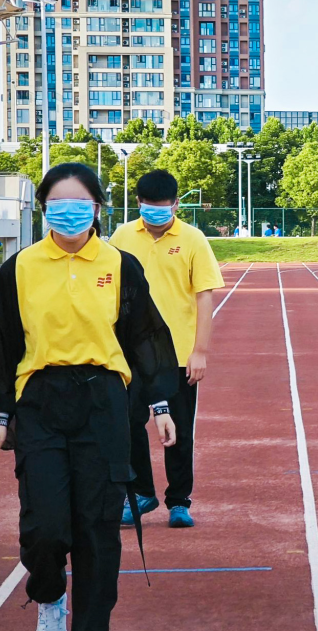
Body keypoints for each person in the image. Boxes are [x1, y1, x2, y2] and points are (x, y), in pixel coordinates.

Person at [0, 163, 179, 631]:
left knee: (97, 529)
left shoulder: (120, 265)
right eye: (58, 204)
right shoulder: (19, 268)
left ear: (97, 208)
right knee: (45, 526)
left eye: (80, 204)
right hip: (41, 401)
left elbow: (144, 337)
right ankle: (50, 596)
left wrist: (159, 404)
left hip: (102, 404)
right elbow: (2, 343)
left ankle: (92, 623)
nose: (70, 213)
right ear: (43, 209)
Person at [110, 170, 226, 529]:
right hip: (129, 354)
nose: (155, 213)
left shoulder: (193, 239)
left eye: (162, 207)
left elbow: (204, 296)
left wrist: (200, 351)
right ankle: (141, 493)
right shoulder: (122, 236)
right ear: (138, 203)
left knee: (179, 431)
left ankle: (179, 501)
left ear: (176, 204)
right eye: (148, 206)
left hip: (176, 354)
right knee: (128, 425)